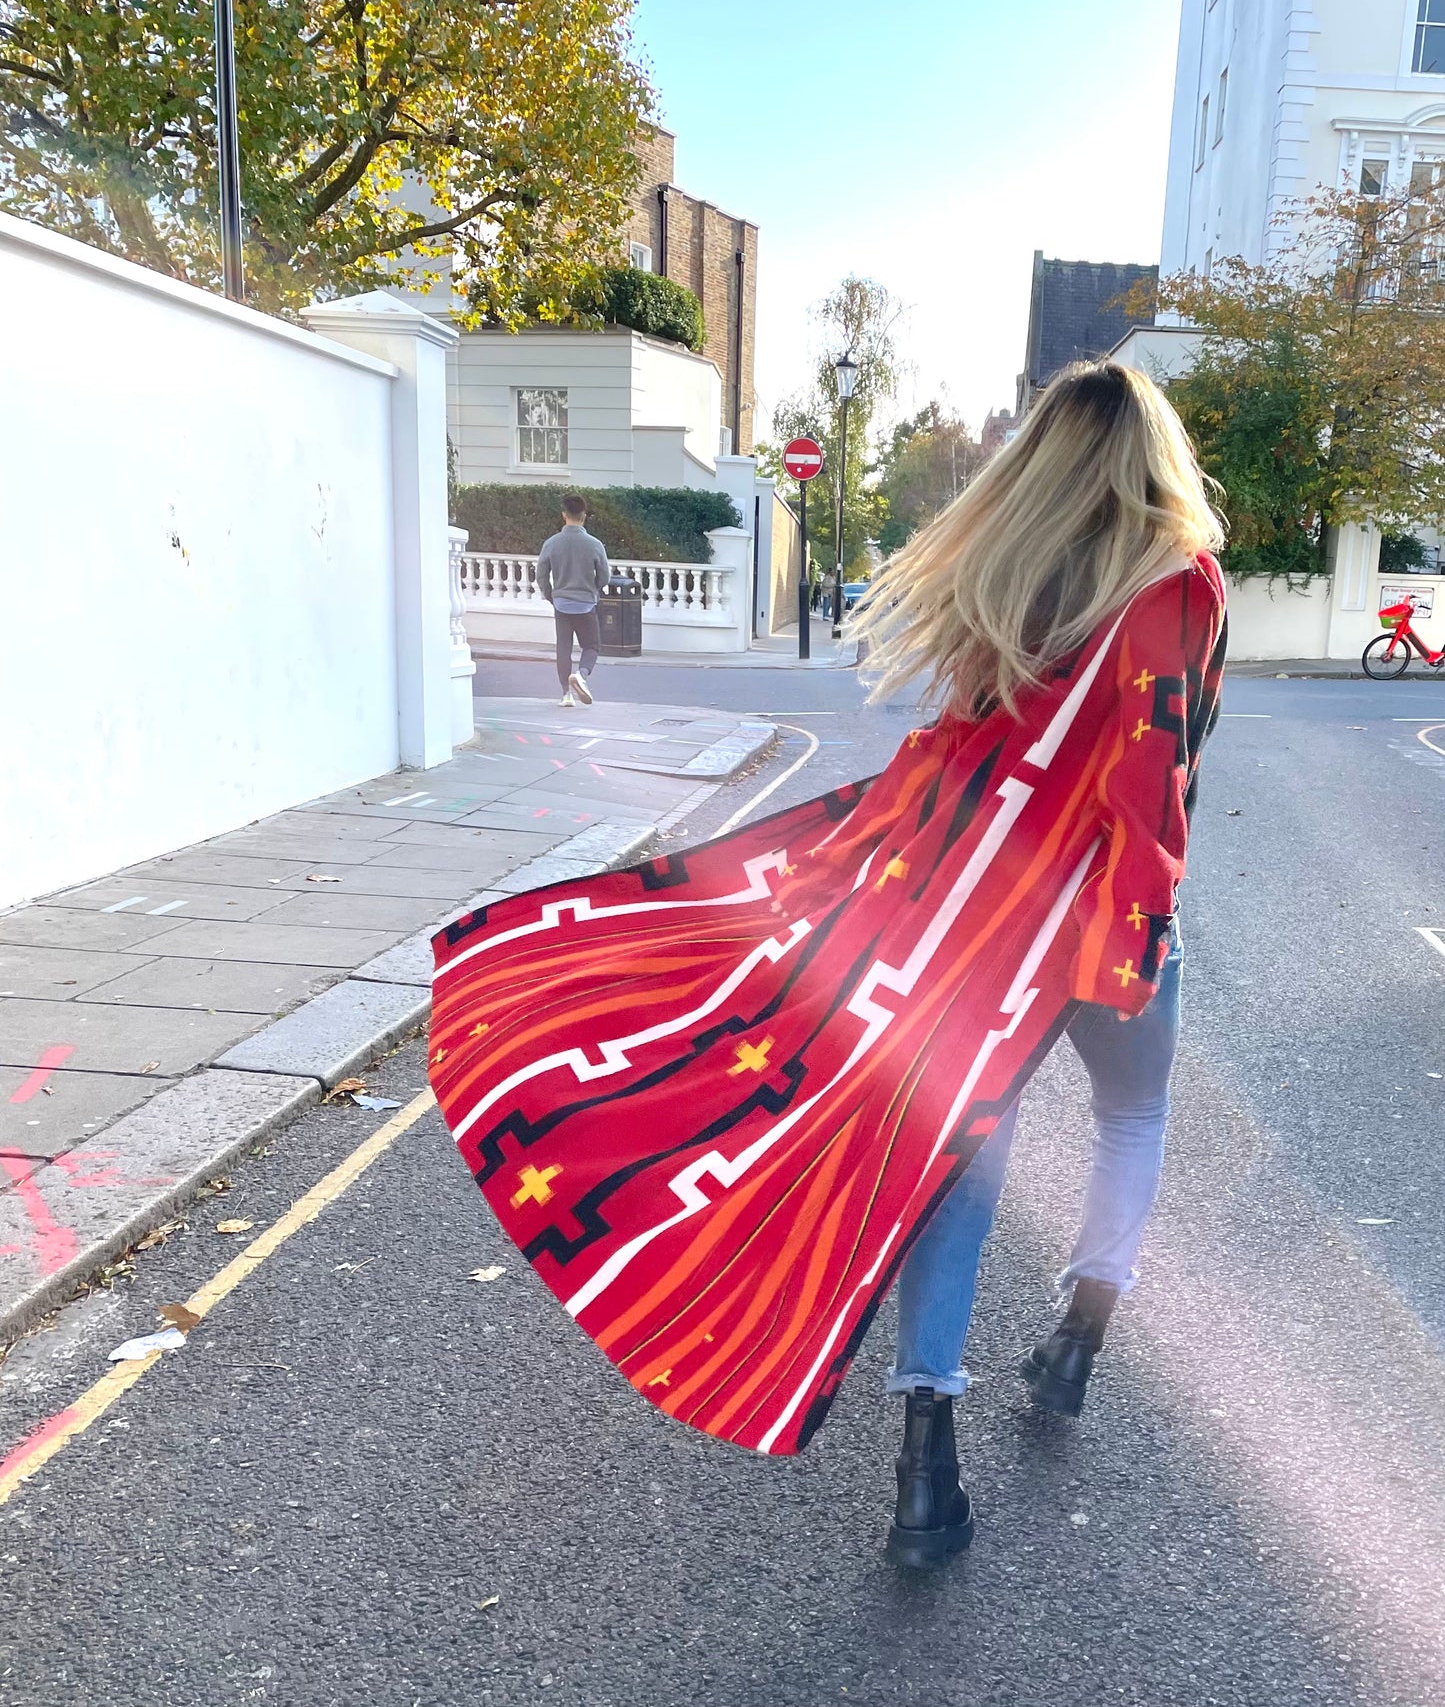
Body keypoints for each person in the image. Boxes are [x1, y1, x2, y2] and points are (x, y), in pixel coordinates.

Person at [428, 362, 1226, 1570]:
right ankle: (1079, 1332)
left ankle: (926, 1456)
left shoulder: (1004, 563)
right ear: (1153, 454)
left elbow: (959, 741)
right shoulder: (1179, 579)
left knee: (959, 1155)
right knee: (1134, 1109)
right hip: (1096, 913)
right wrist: (1133, 932)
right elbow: (1152, 776)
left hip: (965, 918)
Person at [537, 495, 610, 707]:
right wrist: (593, 589)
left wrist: (551, 595)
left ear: (563, 515)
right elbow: (604, 576)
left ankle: (565, 694)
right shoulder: (594, 544)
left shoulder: (551, 543)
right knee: (591, 646)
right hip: (586, 604)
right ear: (584, 516)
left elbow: (541, 575)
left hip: (561, 604)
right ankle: (582, 675)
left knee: (563, 648)